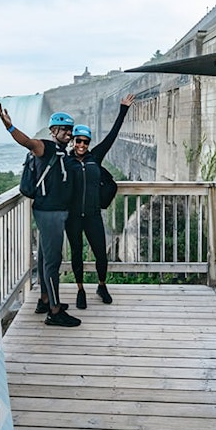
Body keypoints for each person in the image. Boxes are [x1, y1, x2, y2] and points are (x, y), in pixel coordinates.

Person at [0, 105, 82, 327]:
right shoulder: (46, 148)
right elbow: (27, 142)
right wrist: (10, 127)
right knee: (52, 263)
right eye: (63, 129)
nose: (68, 133)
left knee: (45, 258)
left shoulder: (64, 152)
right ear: (53, 131)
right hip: (49, 213)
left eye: (69, 129)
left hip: (55, 212)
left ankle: (45, 300)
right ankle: (54, 312)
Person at [66, 94, 135, 309]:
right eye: (79, 141)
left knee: (100, 253)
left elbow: (112, 136)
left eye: (86, 142)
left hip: (93, 215)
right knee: (76, 253)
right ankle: (79, 289)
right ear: (73, 141)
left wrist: (123, 109)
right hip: (73, 216)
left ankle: (102, 285)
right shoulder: (65, 161)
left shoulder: (95, 157)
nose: (82, 145)